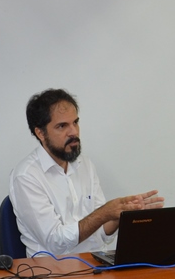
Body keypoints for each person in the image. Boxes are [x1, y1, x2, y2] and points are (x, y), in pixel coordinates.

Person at [9, 88, 164, 257]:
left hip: (94, 264)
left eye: (75, 122)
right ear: (40, 133)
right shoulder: (26, 176)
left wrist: (121, 216)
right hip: (52, 271)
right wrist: (104, 213)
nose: (74, 132)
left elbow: (100, 234)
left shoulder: (85, 165)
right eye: (62, 126)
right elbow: (55, 243)